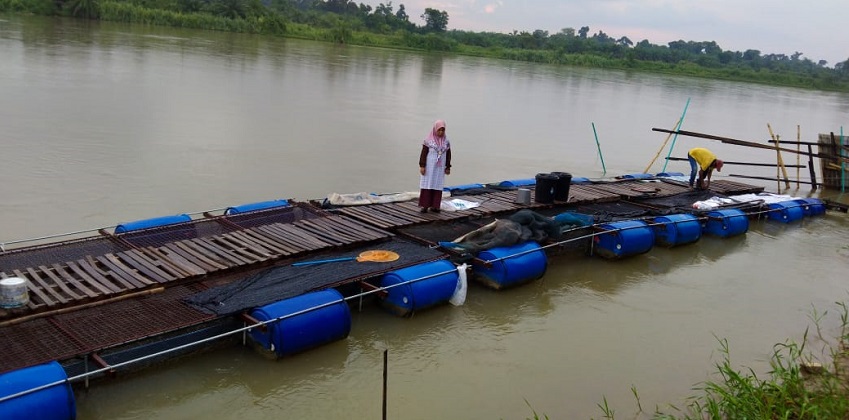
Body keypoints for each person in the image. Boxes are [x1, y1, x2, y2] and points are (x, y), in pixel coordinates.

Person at [418, 119, 452, 213]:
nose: (441, 132)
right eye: (439, 130)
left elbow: (448, 155)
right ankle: (425, 206)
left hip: (439, 169)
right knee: (427, 184)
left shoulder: (446, 142)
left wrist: (448, 167)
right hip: (429, 167)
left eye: (443, 130)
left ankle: (435, 206)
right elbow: (423, 154)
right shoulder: (428, 141)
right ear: (435, 130)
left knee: (437, 185)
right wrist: (422, 166)